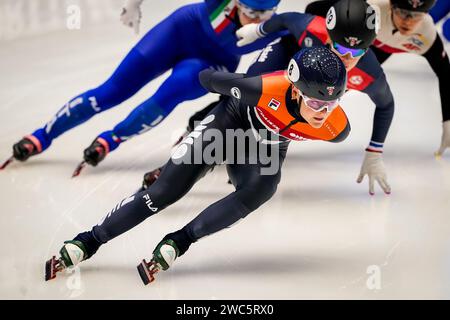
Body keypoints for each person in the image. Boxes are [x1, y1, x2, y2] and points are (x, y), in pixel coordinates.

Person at [45, 46, 350, 284]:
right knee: (164, 192)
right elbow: (208, 80)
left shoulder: (336, 128)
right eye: (315, 103)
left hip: (262, 149)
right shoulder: (265, 88)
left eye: (332, 103)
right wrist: (223, 81)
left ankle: (180, 241)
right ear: (295, 90)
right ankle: (90, 240)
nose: (323, 112)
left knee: (264, 187)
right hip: (229, 122)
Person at [142, 0, 395, 195]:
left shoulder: (369, 73)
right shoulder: (310, 28)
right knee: (243, 101)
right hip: (284, 59)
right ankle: (185, 149)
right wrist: (259, 30)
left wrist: (375, 151)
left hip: (306, 90)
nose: (347, 58)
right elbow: (285, 20)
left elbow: (386, 104)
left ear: (369, 48)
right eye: (339, 48)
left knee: (274, 122)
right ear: (327, 37)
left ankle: (234, 150)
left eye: (357, 51)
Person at [1, 0, 284, 174]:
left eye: (266, 13)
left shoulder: (283, 25)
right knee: (111, 91)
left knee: (171, 91)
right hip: (180, 29)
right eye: (250, 11)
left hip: (211, 63)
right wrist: (135, 2)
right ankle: (41, 136)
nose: (258, 19)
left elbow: (319, 35)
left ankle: (111, 139)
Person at [304, 0, 450, 157]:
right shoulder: (371, 11)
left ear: (426, 14)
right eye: (402, 12)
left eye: (417, 15)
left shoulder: (427, 34)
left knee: (338, 89)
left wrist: (448, 122)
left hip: (375, 51)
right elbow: (313, 9)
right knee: (327, 87)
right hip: (361, 48)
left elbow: (445, 73)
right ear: (391, 7)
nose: (408, 21)